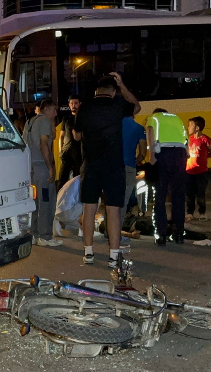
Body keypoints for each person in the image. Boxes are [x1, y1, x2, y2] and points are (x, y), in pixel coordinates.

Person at [74, 73, 141, 267]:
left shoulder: (84, 107)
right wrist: (122, 84)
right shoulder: (118, 105)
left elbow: (77, 136)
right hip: (113, 165)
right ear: (113, 91)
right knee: (113, 210)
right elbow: (136, 106)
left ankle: (88, 253)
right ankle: (113, 256)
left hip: (91, 165)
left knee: (89, 208)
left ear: (97, 91)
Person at [145, 108, 188, 245]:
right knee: (178, 196)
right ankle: (179, 233)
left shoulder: (154, 117)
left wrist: (151, 154)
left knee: (160, 196)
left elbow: (150, 131)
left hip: (163, 154)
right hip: (180, 155)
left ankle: (161, 234)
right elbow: (185, 139)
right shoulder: (177, 118)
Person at [27, 99, 62, 247]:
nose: (55, 114)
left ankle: (34, 234)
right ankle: (45, 236)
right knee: (46, 202)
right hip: (42, 168)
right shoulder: (44, 122)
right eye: (54, 110)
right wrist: (50, 168)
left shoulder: (30, 122)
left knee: (34, 203)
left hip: (31, 169)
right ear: (47, 109)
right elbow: (44, 144)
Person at [119, 114, 147, 245]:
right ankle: (116, 231)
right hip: (129, 166)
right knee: (123, 201)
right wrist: (136, 161)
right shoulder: (138, 128)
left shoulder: (114, 124)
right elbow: (142, 153)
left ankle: (109, 229)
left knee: (111, 200)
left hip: (111, 166)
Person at [185, 116, 211, 221]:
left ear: (197, 128)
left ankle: (202, 212)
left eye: (190, 125)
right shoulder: (189, 139)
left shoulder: (205, 139)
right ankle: (190, 212)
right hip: (189, 171)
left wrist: (204, 156)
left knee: (200, 193)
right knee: (190, 194)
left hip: (201, 172)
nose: (188, 127)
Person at [57, 95, 82, 191]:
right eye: (72, 103)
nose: (74, 105)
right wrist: (61, 151)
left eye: (76, 103)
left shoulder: (82, 118)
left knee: (77, 179)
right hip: (66, 153)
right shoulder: (66, 119)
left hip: (79, 154)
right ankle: (59, 200)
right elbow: (61, 136)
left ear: (80, 104)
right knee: (62, 179)